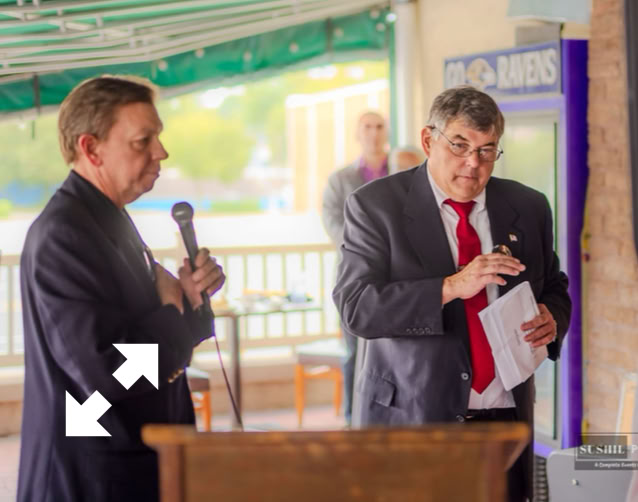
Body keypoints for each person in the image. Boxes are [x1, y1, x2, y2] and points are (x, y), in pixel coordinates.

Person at [333, 86, 571, 501]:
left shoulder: (529, 205)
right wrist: (451, 287)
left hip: (505, 418)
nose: (472, 163)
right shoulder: (375, 206)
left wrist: (553, 316)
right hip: (414, 418)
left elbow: (553, 285)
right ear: (429, 140)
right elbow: (357, 308)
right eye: (459, 145)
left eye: (486, 150)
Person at [17, 76, 225, 502]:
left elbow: (145, 337)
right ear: (91, 148)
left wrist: (188, 298)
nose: (161, 152)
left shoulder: (107, 218)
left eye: (158, 137)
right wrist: (171, 311)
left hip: (129, 461)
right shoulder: (63, 235)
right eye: (142, 141)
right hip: (92, 475)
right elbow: (111, 376)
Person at [322, 110, 388, 425]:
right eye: (367, 127)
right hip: (355, 275)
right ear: (357, 134)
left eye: (379, 126)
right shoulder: (340, 179)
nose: (373, 133)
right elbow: (332, 222)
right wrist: (363, 250)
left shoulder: (402, 171)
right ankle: (353, 419)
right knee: (353, 350)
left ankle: (386, 418)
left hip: (395, 277)